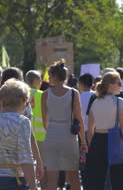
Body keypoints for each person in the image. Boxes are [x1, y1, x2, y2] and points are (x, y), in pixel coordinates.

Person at [86, 72, 123, 190]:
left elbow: (90, 130)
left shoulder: (95, 102)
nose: (122, 86)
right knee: (118, 182)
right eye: (119, 83)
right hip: (115, 140)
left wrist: (92, 147)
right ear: (110, 85)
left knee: (98, 183)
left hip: (97, 141)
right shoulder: (119, 101)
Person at [41, 61, 87, 190]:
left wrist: (51, 130)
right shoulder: (73, 93)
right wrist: (83, 141)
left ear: (55, 77)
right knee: (73, 176)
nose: (49, 79)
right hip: (69, 136)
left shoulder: (45, 94)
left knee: (52, 179)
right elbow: (79, 119)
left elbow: (45, 121)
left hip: (51, 135)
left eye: (50, 76)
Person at [25, 70, 46, 188]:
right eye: (40, 78)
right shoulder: (42, 94)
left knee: (27, 164)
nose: (42, 81)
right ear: (34, 80)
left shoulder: (22, 94)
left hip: (25, 135)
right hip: (41, 135)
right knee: (41, 165)